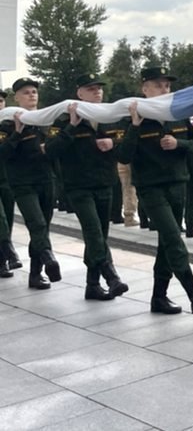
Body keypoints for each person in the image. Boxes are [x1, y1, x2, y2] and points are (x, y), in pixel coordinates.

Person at [117, 66, 193, 314]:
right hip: (151, 188)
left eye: (167, 85)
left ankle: (158, 297)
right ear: (144, 89)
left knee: (166, 244)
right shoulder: (132, 117)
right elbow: (123, 156)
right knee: (173, 238)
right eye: (158, 85)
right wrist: (135, 127)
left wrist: (178, 143)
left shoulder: (178, 115)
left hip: (177, 183)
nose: (164, 89)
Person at [45, 73, 129, 301]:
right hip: (78, 186)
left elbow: (126, 151)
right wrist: (71, 128)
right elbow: (50, 150)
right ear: (79, 93)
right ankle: (111, 276)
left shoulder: (110, 118)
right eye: (90, 89)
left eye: (99, 88)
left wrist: (114, 143)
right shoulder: (63, 120)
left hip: (105, 184)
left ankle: (92, 285)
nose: (97, 92)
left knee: (100, 235)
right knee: (93, 232)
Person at [0, 78, 61, 289]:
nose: (31, 95)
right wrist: (17, 133)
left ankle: (36, 273)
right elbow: (2, 154)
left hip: (46, 179)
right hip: (22, 183)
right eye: (26, 92)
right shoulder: (6, 124)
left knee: (43, 227)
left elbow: (59, 147)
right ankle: (48, 257)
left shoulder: (46, 121)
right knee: (37, 224)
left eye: (34, 91)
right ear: (16, 97)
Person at [0, 90, 21, 278]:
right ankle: (9, 251)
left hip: (7, 179)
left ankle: (2, 261)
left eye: (0, 101)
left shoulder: (10, 126)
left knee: (7, 217)